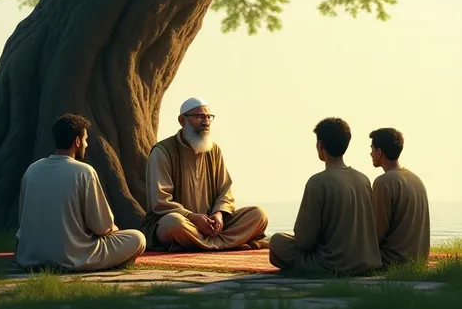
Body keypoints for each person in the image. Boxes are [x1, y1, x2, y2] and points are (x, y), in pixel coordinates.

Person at [16, 113, 146, 271]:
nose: (86, 144)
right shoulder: (83, 172)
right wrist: (112, 229)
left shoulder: (32, 170)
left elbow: (23, 220)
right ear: (77, 141)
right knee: (137, 238)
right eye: (85, 139)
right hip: (74, 256)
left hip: (31, 257)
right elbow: (101, 226)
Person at [144, 97, 268, 250]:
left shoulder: (213, 150)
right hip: (184, 222)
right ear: (182, 120)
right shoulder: (162, 152)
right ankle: (228, 243)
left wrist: (219, 215)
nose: (206, 121)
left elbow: (225, 190)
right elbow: (161, 201)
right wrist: (192, 217)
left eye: (209, 117)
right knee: (173, 224)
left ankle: (200, 244)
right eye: (199, 117)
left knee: (258, 215)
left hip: (211, 225)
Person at [270, 118, 381, 275]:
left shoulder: (317, 182)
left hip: (331, 263)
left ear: (320, 145)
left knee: (276, 242)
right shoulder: (363, 179)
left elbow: (304, 241)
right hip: (365, 262)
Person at [370, 128, 430, 266]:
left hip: (392, 260)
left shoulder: (383, 182)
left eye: (372, 149)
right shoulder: (415, 179)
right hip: (418, 260)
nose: (370, 153)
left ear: (379, 152)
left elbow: (378, 232)